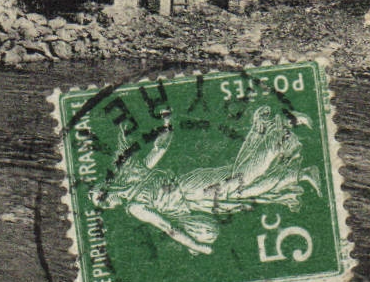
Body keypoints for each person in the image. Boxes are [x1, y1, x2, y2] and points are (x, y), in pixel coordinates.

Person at [92, 105, 321, 255]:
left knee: (240, 181)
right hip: (193, 191)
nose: (109, 207)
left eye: (104, 203)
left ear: (108, 192)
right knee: (244, 184)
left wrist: (198, 246)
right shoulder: (138, 176)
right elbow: (159, 149)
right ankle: (297, 169)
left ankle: (282, 128)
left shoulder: (134, 207)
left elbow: (169, 228)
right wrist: (167, 126)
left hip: (194, 191)